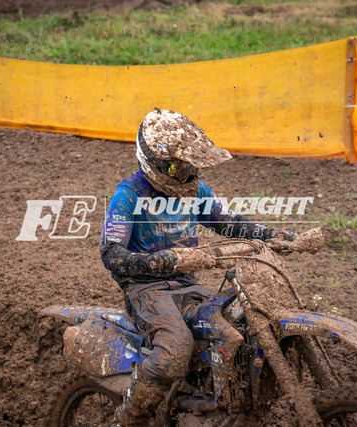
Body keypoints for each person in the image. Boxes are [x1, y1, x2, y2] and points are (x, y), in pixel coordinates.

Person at [100, 109, 296, 426]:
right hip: (145, 290)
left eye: (190, 165)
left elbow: (231, 223)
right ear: (153, 162)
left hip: (187, 286)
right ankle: (127, 419)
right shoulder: (129, 195)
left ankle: (216, 402)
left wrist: (275, 236)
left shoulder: (196, 191)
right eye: (176, 166)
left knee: (243, 320)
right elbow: (112, 254)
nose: (184, 174)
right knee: (176, 348)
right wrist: (161, 260)